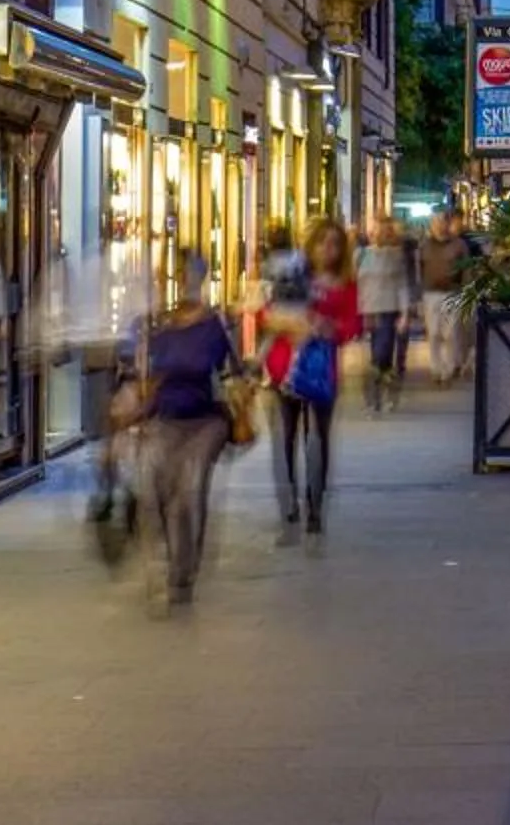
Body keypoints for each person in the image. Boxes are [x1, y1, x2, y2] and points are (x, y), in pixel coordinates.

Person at [137, 253, 240, 605]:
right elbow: (146, 377)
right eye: (181, 275)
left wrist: (239, 400)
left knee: (190, 487)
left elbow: (234, 372)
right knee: (157, 487)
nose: (186, 281)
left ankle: (185, 569)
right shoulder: (162, 326)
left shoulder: (215, 325)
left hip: (207, 421)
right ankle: (169, 557)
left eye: (192, 274)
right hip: (167, 417)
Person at [264, 220, 356, 536]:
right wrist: (287, 323)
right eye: (322, 243)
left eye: (334, 244)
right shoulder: (292, 272)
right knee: (286, 435)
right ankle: (289, 498)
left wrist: (328, 327)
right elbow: (267, 311)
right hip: (285, 364)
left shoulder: (345, 283)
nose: (327, 250)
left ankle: (315, 503)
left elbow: (351, 325)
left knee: (318, 437)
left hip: (320, 368)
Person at [357, 215, 411, 411]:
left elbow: (402, 286)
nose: (379, 234)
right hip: (367, 310)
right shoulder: (361, 255)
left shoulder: (396, 256)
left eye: (384, 230)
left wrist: (405, 314)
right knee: (373, 355)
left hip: (389, 310)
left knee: (383, 353)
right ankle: (376, 395)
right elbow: (356, 284)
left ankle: (383, 390)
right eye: (376, 230)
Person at [418, 207, 472, 383]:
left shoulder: (459, 245)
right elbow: (418, 269)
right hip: (430, 294)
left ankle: (449, 368)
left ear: (448, 224)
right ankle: (436, 368)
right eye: (436, 223)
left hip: (453, 293)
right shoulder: (424, 245)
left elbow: (467, 270)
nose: (440, 226)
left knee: (451, 333)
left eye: (443, 222)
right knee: (433, 333)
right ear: (432, 225)